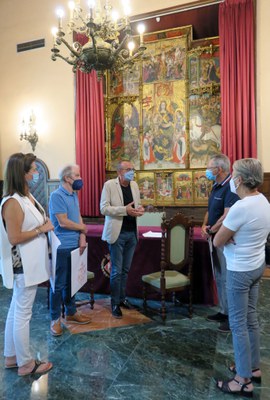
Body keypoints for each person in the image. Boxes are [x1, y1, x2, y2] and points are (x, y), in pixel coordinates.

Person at [214, 158, 270, 397]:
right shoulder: (263, 201)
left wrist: (229, 237)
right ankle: (253, 367)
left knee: (238, 324)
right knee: (251, 319)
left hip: (239, 270)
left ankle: (242, 380)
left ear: (239, 179)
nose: (231, 179)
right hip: (257, 266)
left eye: (234, 174)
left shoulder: (240, 206)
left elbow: (217, 240)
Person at [0, 153, 53, 376]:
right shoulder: (12, 201)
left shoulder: (26, 196)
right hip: (22, 266)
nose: (36, 173)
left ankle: (11, 357)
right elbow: (14, 238)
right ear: (21, 173)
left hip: (32, 263)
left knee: (16, 310)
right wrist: (42, 229)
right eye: (32, 170)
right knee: (23, 313)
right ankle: (26, 363)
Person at [49, 164, 91, 336]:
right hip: (62, 246)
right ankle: (55, 319)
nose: (80, 178)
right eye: (77, 175)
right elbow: (63, 222)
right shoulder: (56, 195)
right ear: (67, 178)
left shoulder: (74, 194)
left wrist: (82, 235)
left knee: (72, 282)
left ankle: (72, 312)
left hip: (74, 244)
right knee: (58, 285)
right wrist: (82, 227)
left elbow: (78, 216)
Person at [100, 161, 144, 318]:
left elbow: (135, 206)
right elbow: (103, 208)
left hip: (132, 233)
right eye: (128, 169)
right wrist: (124, 210)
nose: (131, 172)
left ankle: (122, 298)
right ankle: (114, 303)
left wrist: (139, 210)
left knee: (125, 270)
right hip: (117, 234)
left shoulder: (134, 185)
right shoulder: (109, 185)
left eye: (133, 169)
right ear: (119, 172)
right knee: (116, 271)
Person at [201, 154, 239, 332]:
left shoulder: (230, 188)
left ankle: (233, 317)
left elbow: (227, 216)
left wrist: (212, 230)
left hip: (225, 240)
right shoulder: (216, 186)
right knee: (220, 277)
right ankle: (224, 311)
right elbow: (211, 210)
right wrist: (203, 225)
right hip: (214, 237)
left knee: (228, 278)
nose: (207, 170)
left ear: (220, 169)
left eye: (210, 167)